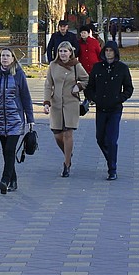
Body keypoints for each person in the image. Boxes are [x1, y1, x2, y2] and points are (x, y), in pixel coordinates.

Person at [0, 48, 34, 195]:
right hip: (0, 120)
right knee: (6, 152)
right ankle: (13, 181)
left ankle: (5, 180)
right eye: (2, 56)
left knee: (10, 150)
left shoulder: (19, 75)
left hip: (15, 120)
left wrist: (30, 119)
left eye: (8, 56)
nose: (5, 58)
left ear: (13, 59)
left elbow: (26, 97)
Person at [84, 41, 133, 180]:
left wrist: (119, 99)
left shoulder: (122, 68)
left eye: (111, 51)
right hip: (101, 108)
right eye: (106, 51)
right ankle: (110, 158)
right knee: (100, 138)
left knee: (112, 139)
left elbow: (129, 89)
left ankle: (112, 168)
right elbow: (90, 87)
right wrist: (94, 98)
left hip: (115, 109)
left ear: (115, 52)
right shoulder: (97, 67)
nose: (109, 53)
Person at [42, 40, 87, 177]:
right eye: (60, 51)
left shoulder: (76, 66)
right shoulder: (53, 65)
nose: (62, 54)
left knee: (68, 133)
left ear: (70, 52)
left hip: (70, 103)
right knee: (57, 135)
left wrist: (78, 86)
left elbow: (86, 79)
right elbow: (48, 85)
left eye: (65, 51)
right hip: (56, 104)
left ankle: (67, 164)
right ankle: (68, 152)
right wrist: (46, 102)